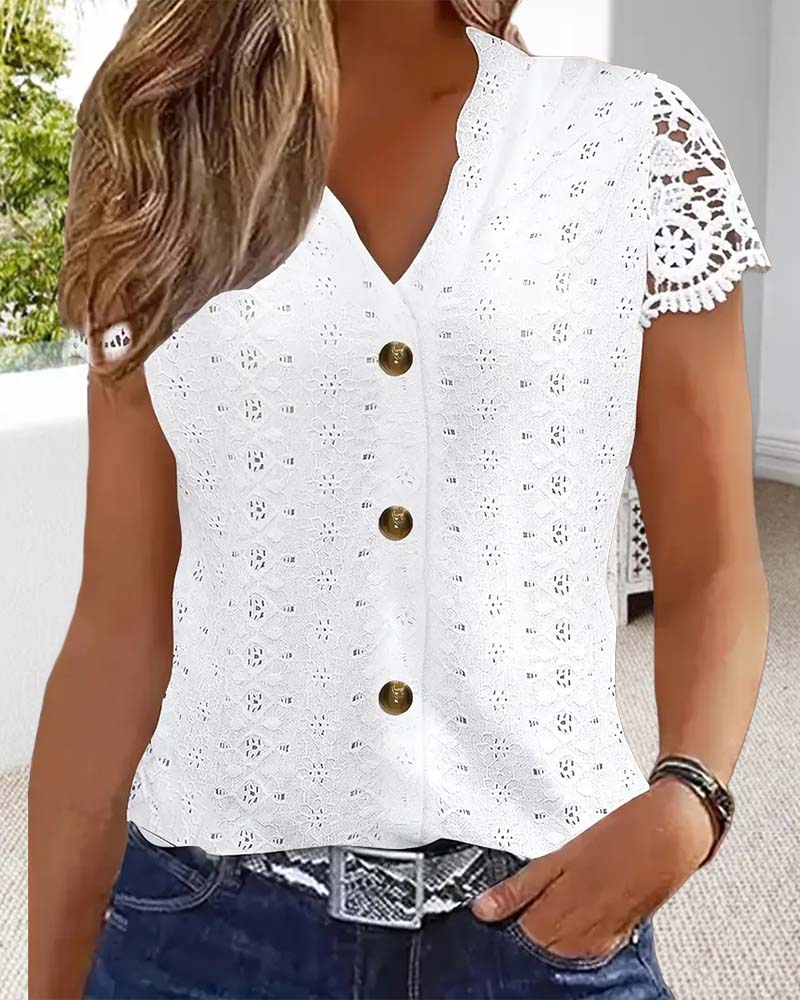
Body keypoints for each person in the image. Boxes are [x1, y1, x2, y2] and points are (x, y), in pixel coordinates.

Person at [29, 0, 772, 997]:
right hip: (205, 932)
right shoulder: (159, 144)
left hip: (546, 920)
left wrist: (689, 801)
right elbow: (118, 624)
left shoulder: (630, 141)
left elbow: (712, 562)